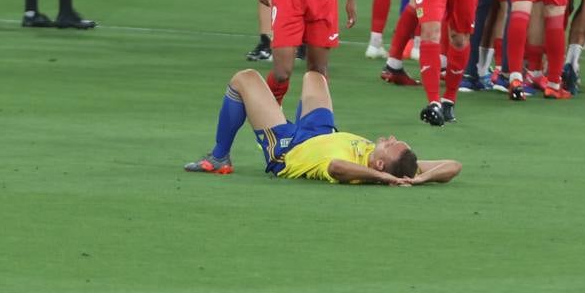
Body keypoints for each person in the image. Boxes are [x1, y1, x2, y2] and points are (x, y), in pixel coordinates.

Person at [183, 68, 459, 185]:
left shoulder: (355, 171)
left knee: (245, 78)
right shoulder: (401, 167)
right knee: (315, 76)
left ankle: (220, 156)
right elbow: (453, 165)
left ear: (379, 166)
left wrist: (384, 180)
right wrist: (422, 177)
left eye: (388, 145)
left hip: (289, 146)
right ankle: (275, 110)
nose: (389, 137)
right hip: (322, 131)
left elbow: (336, 168)